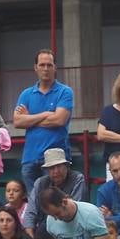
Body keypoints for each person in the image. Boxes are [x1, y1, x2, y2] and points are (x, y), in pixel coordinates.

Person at [14, 50, 74, 197]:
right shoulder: (26, 94)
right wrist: (46, 114)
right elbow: (17, 121)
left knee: (57, 200)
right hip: (30, 158)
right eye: (42, 65)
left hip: (55, 159)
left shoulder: (65, 92)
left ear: (55, 67)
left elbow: (60, 120)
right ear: (35, 68)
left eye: (49, 65)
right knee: (34, 202)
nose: (45, 69)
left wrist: (30, 119)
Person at [40, 186, 114, 239]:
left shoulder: (90, 214)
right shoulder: (51, 221)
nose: (56, 218)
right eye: (52, 215)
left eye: (57, 213)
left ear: (64, 202)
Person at [24, 148, 90, 231]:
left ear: (66, 166)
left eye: (59, 166)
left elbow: (73, 210)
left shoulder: (77, 179)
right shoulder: (40, 183)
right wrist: (29, 233)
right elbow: (30, 212)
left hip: (71, 227)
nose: (56, 171)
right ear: (47, 170)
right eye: (51, 168)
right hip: (44, 228)